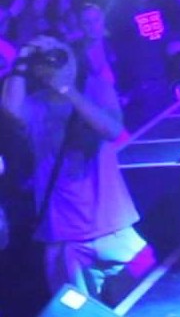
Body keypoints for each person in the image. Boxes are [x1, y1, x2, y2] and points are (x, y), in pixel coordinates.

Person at [1, 35, 154, 301]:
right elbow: (10, 111)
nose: (55, 61)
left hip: (114, 224)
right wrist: (24, 56)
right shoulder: (35, 104)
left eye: (60, 53)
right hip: (64, 236)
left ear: (73, 55)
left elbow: (112, 130)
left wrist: (67, 90)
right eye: (45, 58)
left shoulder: (97, 89)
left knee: (147, 294)